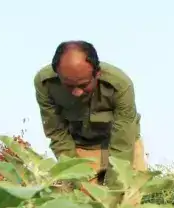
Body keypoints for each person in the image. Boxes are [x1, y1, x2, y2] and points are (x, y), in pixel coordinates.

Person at [34, 40, 146, 184]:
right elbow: (57, 133)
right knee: (78, 200)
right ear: (57, 75)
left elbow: (122, 143)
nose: (77, 92)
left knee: (125, 198)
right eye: (69, 86)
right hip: (80, 147)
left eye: (83, 85)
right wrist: (74, 172)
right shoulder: (45, 84)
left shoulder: (120, 84)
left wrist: (115, 190)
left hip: (122, 145)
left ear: (97, 73)